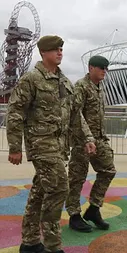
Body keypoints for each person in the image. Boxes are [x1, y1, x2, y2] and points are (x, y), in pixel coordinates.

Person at [6, 35, 96, 253]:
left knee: (40, 192)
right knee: (59, 188)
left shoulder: (64, 81)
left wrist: (87, 138)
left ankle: (30, 243)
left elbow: (76, 115)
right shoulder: (31, 79)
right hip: (41, 145)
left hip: (59, 146)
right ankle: (53, 245)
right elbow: (15, 112)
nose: (60, 53)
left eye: (62, 49)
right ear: (43, 53)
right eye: (55, 49)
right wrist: (15, 147)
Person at [65, 55, 117, 233]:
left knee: (108, 170)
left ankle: (94, 209)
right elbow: (76, 113)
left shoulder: (99, 87)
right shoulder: (81, 86)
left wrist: (99, 137)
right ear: (91, 68)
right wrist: (87, 138)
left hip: (99, 139)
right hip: (82, 141)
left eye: (106, 68)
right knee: (77, 178)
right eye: (101, 67)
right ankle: (74, 215)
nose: (104, 71)